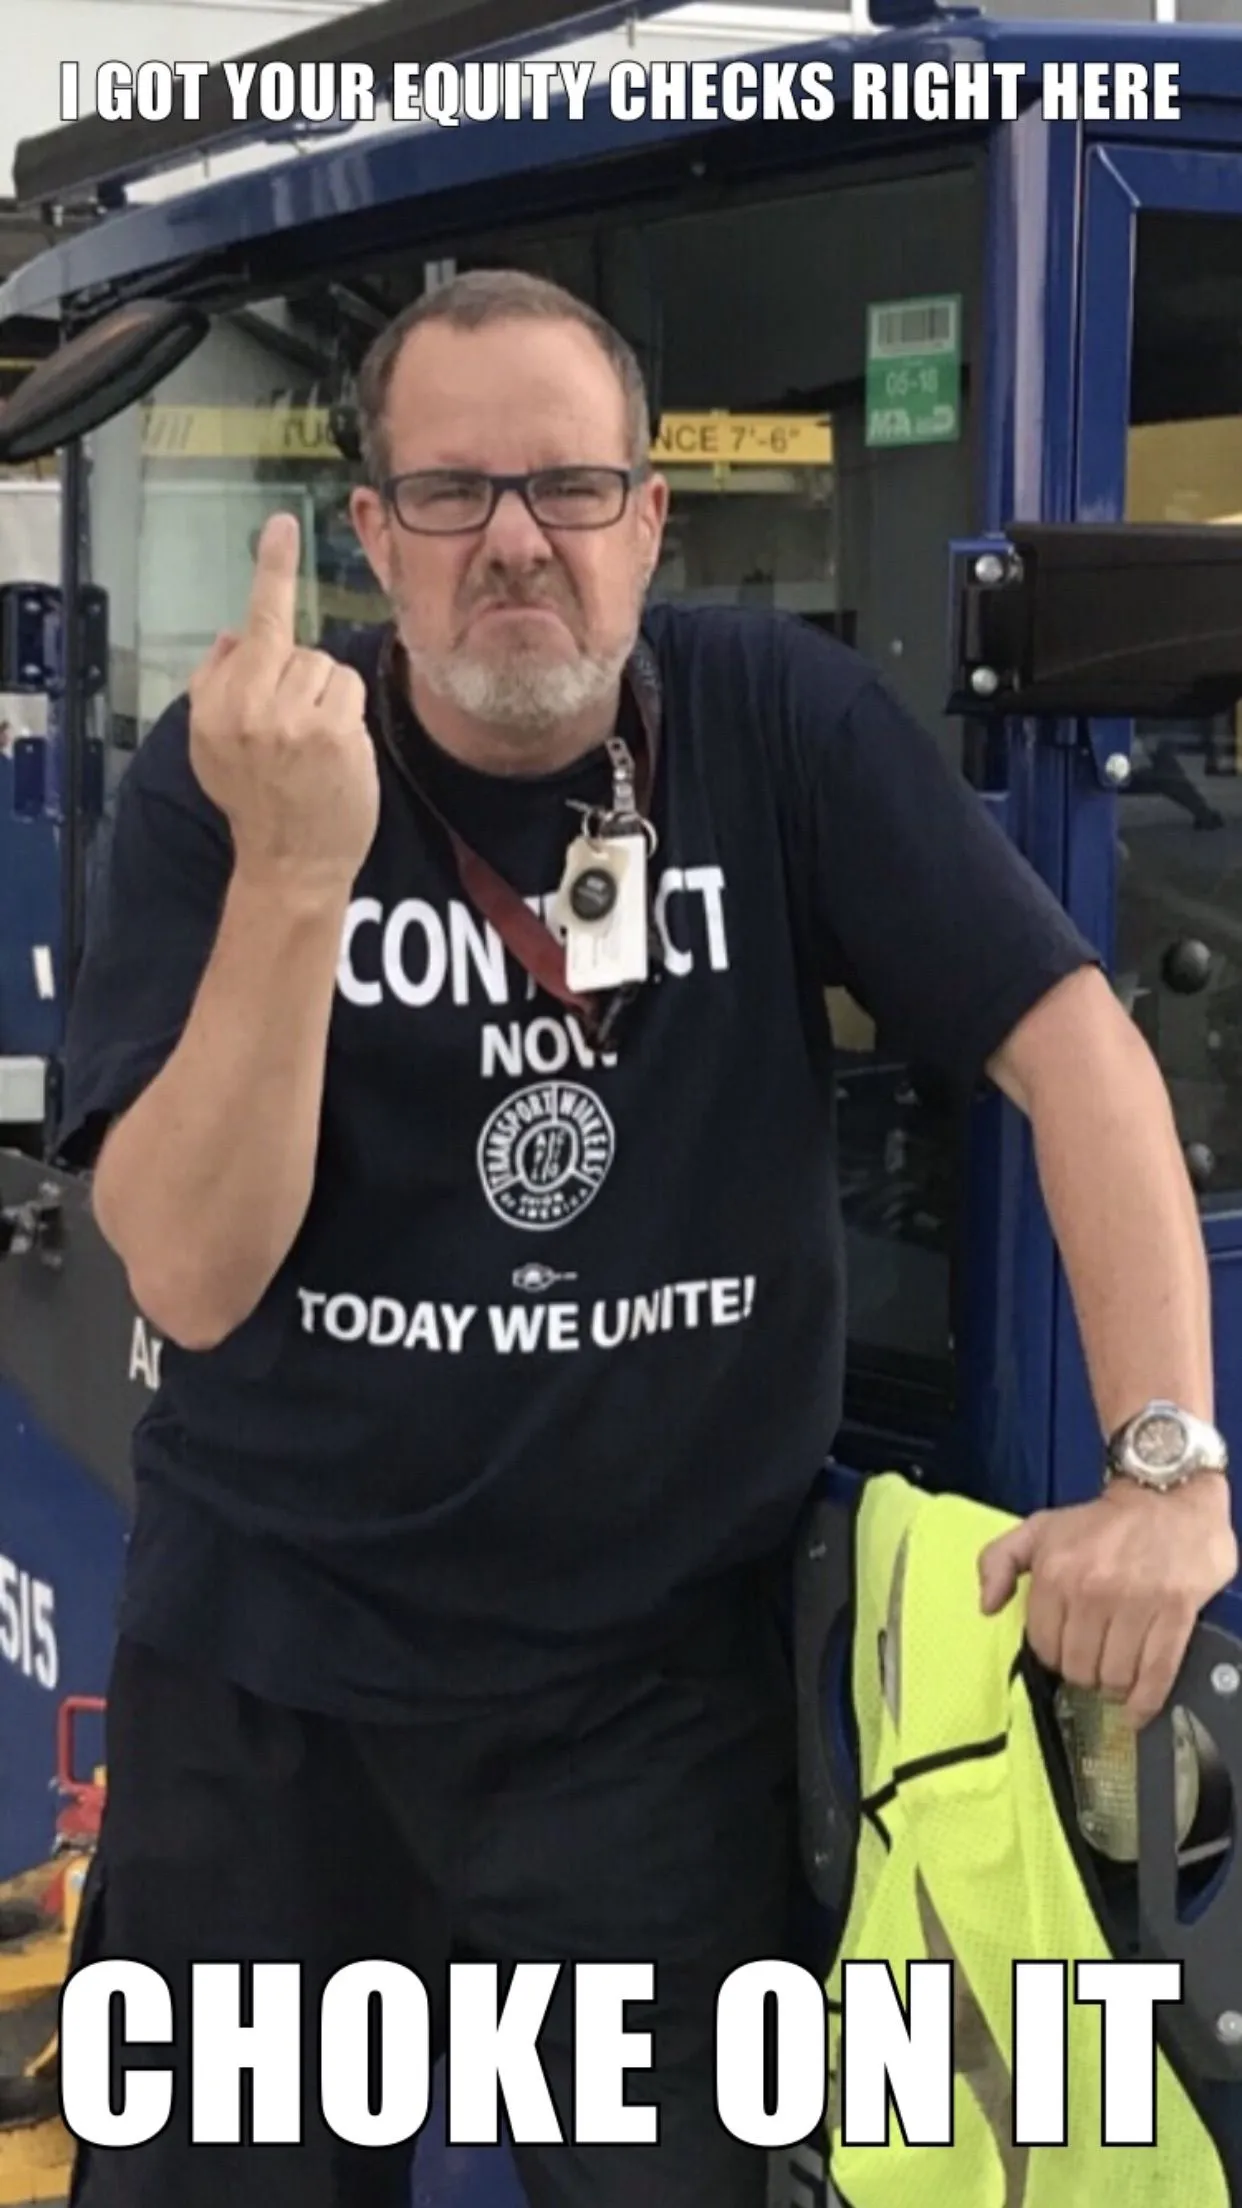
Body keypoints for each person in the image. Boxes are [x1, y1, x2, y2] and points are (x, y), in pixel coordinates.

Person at [57, 268, 1237, 2208]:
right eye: (452, 492)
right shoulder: (238, 769)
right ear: (373, 533)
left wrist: (1166, 1467)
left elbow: (1079, 1054)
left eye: (570, 487)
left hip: (652, 1717)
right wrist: (294, 874)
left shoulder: (777, 724)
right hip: (273, 1695)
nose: (515, 540)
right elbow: (190, 1272)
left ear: (650, 516)